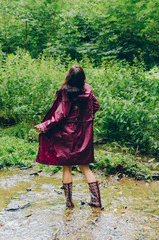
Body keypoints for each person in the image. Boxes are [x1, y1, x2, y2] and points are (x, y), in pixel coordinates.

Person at [35, 64, 103, 209]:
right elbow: (95, 106)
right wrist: (85, 119)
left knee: (66, 167)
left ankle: (69, 202)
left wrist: (44, 126)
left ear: (69, 76)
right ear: (82, 77)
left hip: (67, 134)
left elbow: (60, 115)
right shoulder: (88, 89)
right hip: (84, 133)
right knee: (85, 167)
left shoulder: (65, 92)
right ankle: (96, 200)